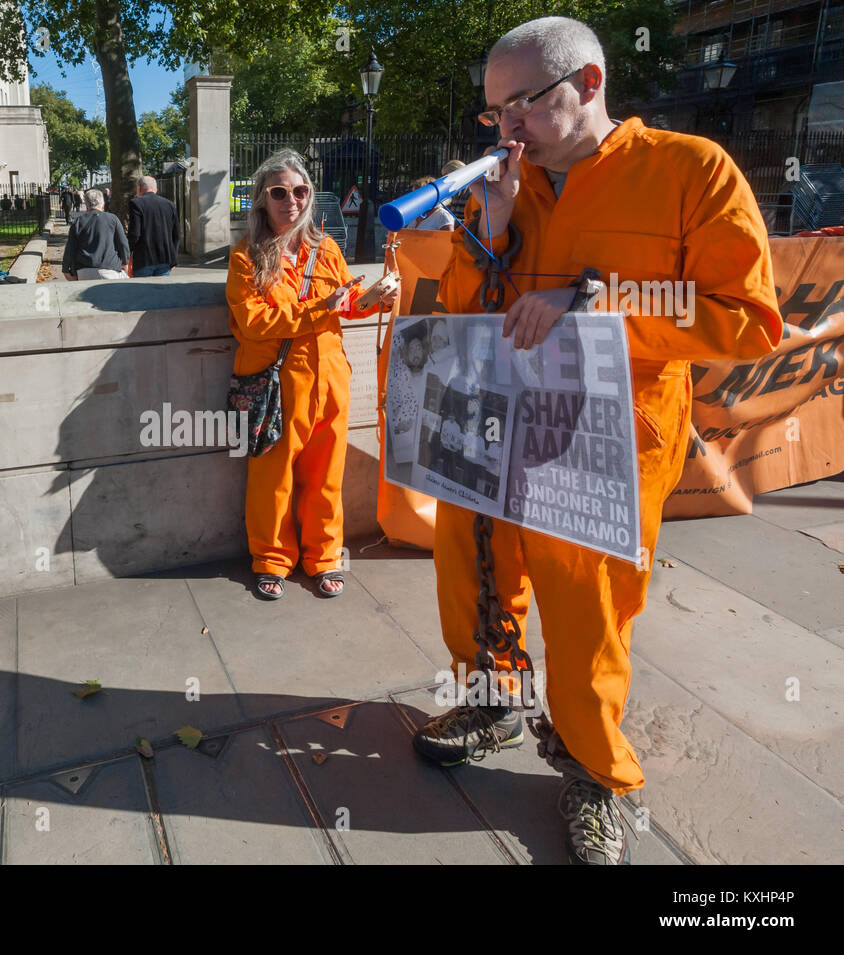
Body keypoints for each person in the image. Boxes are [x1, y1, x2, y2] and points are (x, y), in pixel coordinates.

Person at [411, 16, 782, 865]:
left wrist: (602, 306)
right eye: (494, 113)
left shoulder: (690, 170)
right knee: (470, 567)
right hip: (495, 419)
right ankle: (492, 697)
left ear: (588, 82)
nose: (508, 130)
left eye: (524, 106)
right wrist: (493, 226)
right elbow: (466, 309)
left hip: (606, 438)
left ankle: (598, 772)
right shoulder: (509, 183)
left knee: (587, 612)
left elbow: (750, 322)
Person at [225, 149, 399, 600]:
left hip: (330, 378)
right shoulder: (246, 257)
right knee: (273, 478)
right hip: (276, 383)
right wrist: (324, 306)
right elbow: (254, 322)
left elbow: (348, 306)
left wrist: (377, 297)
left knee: (326, 476)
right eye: (279, 192)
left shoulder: (327, 249)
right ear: (262, 199)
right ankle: (271, 558)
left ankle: (323, 556)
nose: (292, 201)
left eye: (300, 191)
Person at [61, 188, 130, 281]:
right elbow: (123, 244)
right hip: (110, 268)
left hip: (83, 270)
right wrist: (125, 263)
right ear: (103, 204)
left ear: (86, 205)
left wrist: (66, 269)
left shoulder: (78, 221)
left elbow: (70, 247)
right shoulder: (113, 219)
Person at [128, 175, 180, 277]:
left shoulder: (136, 203)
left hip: (144, 259)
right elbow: (176, 235)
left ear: (139, 188)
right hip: (165, 259)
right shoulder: (169, 204)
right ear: (156, 189)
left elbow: (135, 234)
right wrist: (174, 258)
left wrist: (128, 253)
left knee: (143, 291)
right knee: (161, 292)